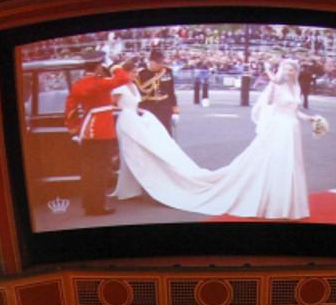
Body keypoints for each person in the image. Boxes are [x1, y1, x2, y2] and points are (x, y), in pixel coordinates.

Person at [111, 58, 314, 220]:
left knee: (288, 165)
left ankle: (285, 202)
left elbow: (294, 111)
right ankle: (274, 202)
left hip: (291, 130)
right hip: (278, 129)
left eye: (292, 69)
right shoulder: (276, 87)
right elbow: (269, 107)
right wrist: (272, 80)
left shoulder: (295, 88)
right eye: (287, 69)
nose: (290, 73)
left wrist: (311, 118)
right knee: (274, 163)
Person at [64, 56, 132, 216]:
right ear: (97, 67)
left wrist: (73, 129)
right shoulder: (101, 83)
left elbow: (70, 109)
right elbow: (124, 77)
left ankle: (88, 205)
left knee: (88, 171)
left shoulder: (78, 84)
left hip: (87, 131)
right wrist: (114, 65)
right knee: (100, 171)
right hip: (102, 131)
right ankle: (97, 207)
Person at [136, 49, 178, 135]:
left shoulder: (167, 71)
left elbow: (171, 91)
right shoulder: (141, 74)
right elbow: (138, 93)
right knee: (149, 132)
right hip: (148, 106)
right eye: (158, 62)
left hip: (164, 105)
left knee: (166, 131)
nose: (161, 65)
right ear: (151, 61)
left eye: (162, 62)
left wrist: (175, 110)